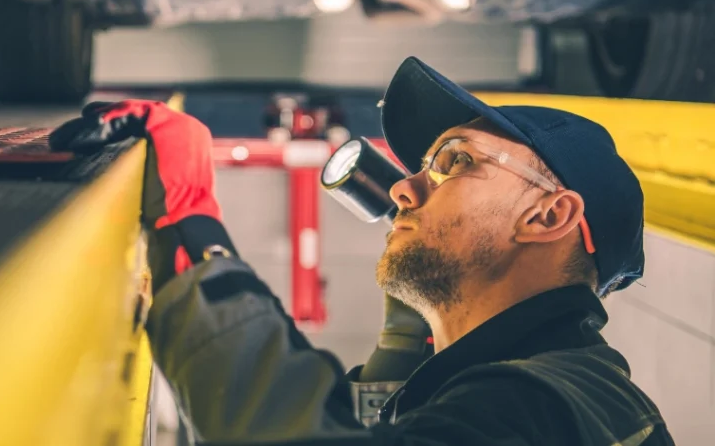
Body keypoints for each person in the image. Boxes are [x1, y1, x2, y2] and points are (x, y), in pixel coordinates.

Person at [50, 57, 675, 445]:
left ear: (548, 215)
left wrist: (190, 220)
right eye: (421, 167)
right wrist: (406, 351)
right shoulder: (533, 394)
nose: (404, 188)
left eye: (454, 161)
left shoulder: (553, 408)